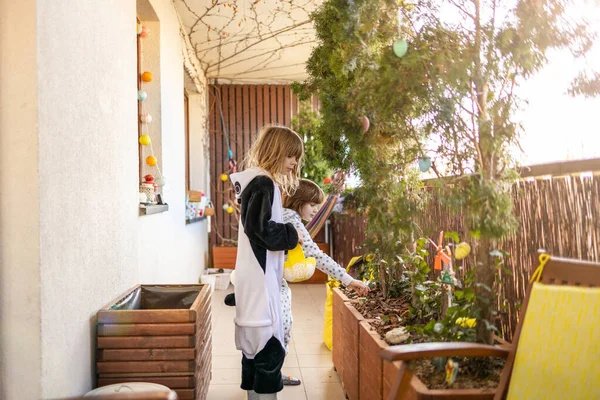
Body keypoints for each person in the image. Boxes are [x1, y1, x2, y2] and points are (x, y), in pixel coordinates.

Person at [228, 125, 304, 400]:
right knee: (268, 351)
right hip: (261, 283)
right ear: (275, 151)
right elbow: (259, 229)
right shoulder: (264, 183)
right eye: (291, 156)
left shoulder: (254, 182)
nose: (295, 162)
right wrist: (291, 235)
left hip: (253, 278)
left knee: (252, 351)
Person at [279, 179, 369, 385]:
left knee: (276, 328)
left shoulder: (282, 215)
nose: (315, 210)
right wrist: (348, 280)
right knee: (282, 328)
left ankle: (269, 374)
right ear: (299, 202)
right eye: (312, 205)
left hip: (267, 280)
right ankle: (272, 375)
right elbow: (316, 256)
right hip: (274, 284)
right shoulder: (292, 221)